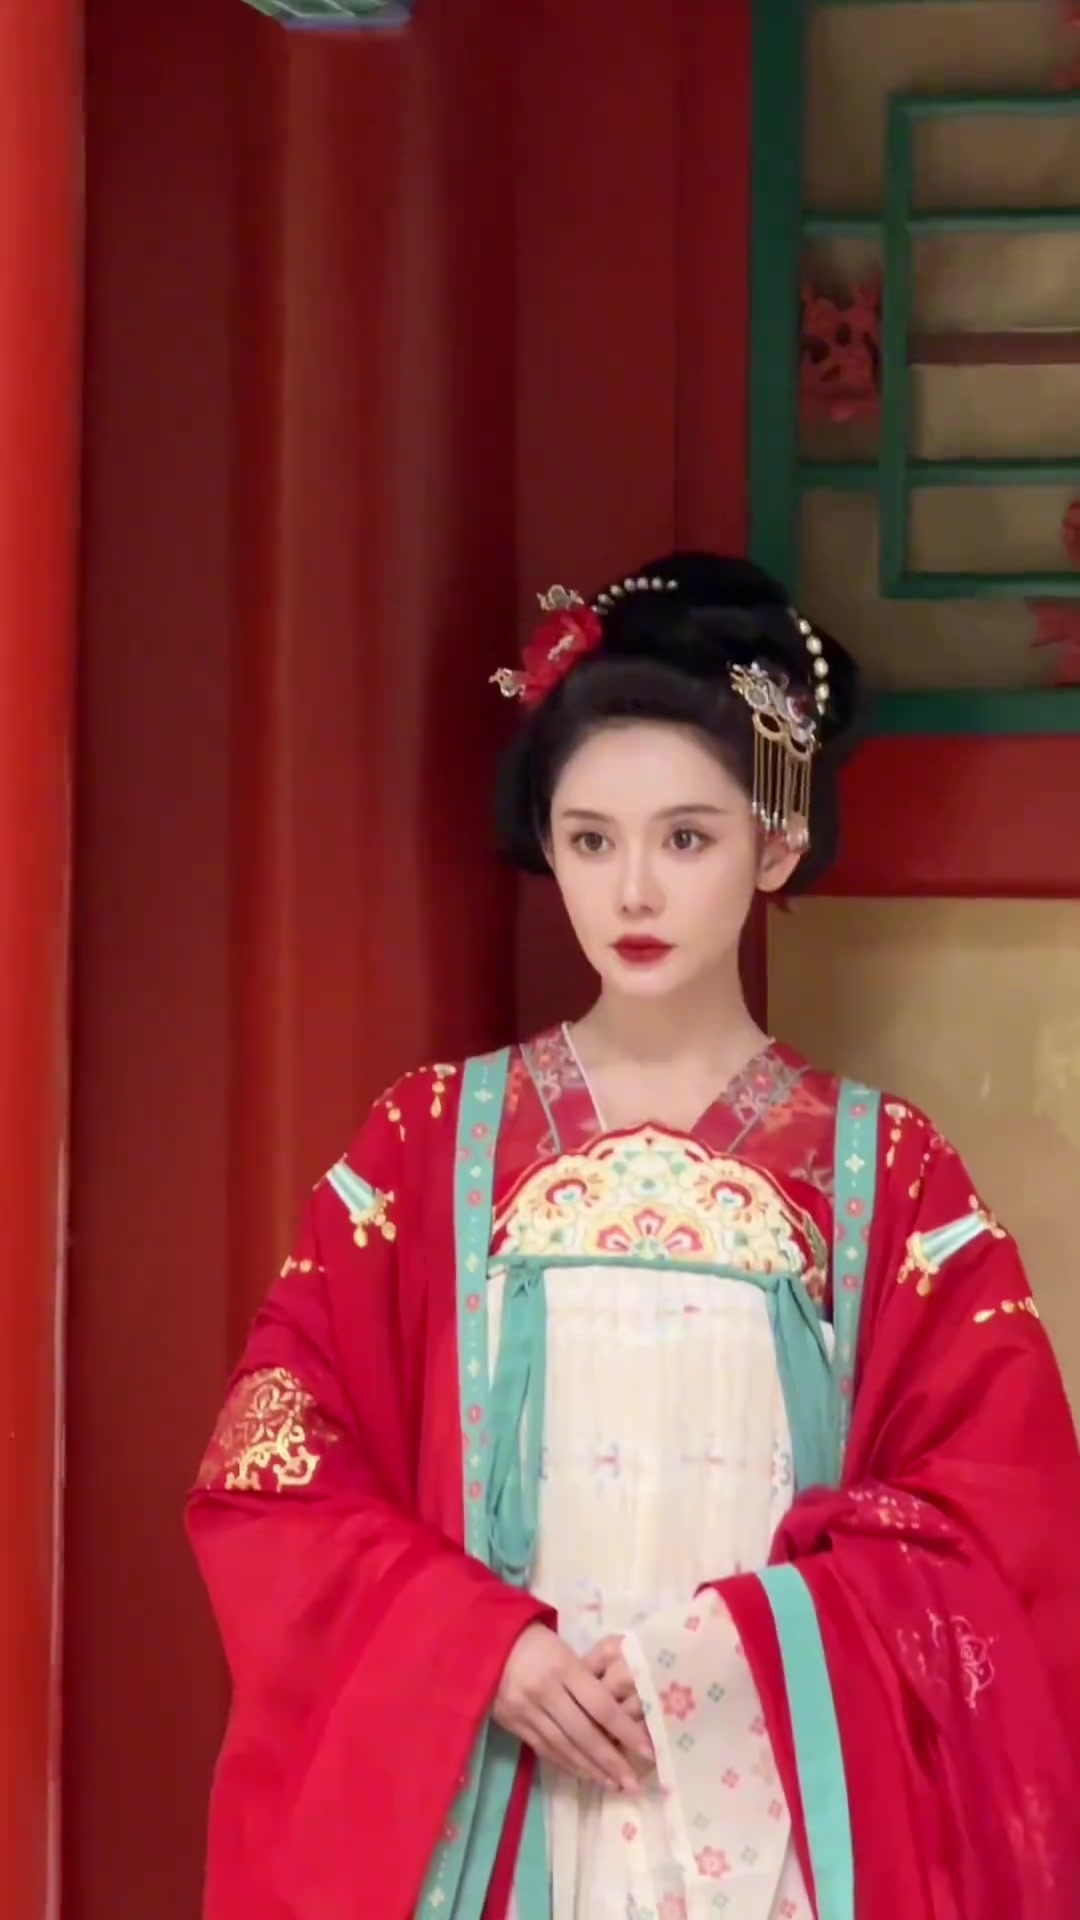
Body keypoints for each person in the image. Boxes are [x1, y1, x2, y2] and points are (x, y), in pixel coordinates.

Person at [188, 553, 1080, 1920]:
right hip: (503, 1784)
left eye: (687, 838)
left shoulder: (885, 1173)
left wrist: (744, 1644)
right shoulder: (426, 1145)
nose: (635, 893)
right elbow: (273, 1471)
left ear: (775, 845)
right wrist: (478, 1650)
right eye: (592, 840)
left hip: (772, 1799)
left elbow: (1002, 1517)